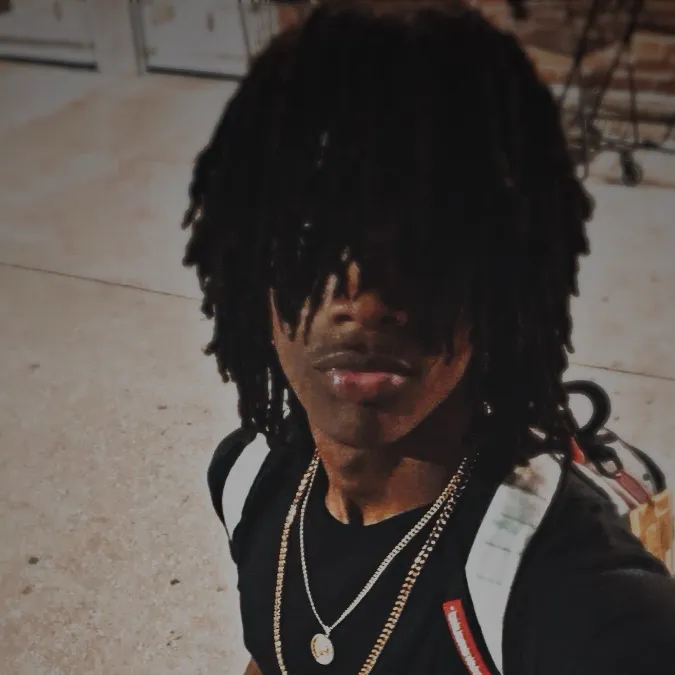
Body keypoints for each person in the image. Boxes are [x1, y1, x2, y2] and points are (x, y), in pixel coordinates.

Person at [182, 1, 675, 674]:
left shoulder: (574, 595)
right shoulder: (248, 478)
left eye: (424, 240)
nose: (364, 299)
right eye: (311, 235)